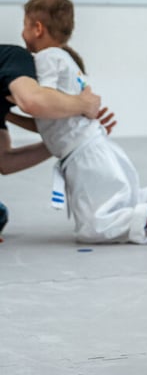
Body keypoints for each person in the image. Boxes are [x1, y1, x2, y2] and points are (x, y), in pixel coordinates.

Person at [13, 0, 147, 244]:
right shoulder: (66, 60)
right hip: (98, 148)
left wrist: (15, 100)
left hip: (84, 158)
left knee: (94, 226)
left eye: (24, 25)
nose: (22, 32)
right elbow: (48, 119)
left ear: (37, 28)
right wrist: (11, 115)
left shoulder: (45, 59)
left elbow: (42, 103)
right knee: (126, 200)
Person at [1, 43, 102, 242]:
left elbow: (4, 162)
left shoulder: (4, 96)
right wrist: (84, 105)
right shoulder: (16, 57)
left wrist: (72, 138)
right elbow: (34, 102)